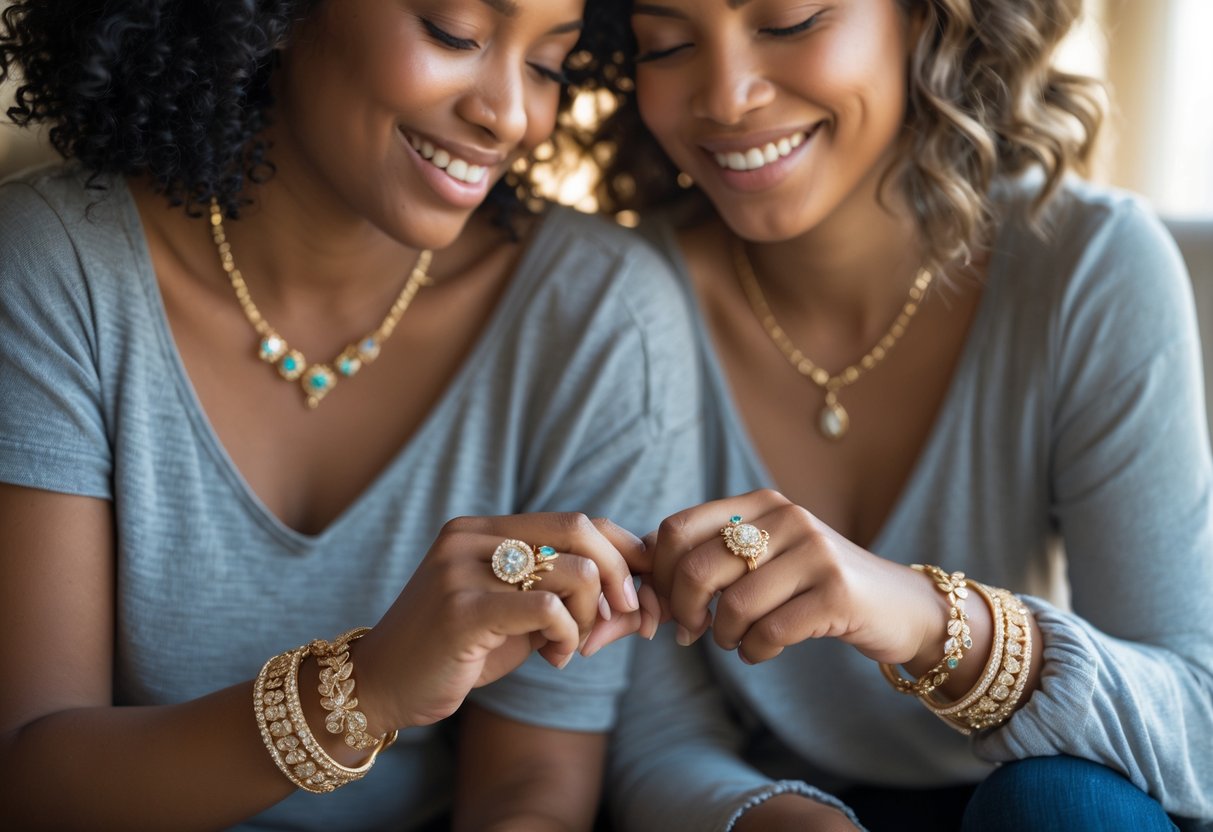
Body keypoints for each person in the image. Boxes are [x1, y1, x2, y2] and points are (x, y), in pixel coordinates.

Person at [0, 1, 698, 829]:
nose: (508, 114)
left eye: (548, 66)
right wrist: (363, 689)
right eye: (454, 33)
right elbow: (28, 778)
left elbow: (530, 789)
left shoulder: (599, 317)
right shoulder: (57, 268)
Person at [587, 0, 1213, 829]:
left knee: (1060, 801)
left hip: (1027, 792)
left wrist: (920, 618)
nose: (728, 96)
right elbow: (655, 732)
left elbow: (1197, 728)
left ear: (929, 21)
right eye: (667, 44)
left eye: (789, 21)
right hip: (767, 809)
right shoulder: (622, 300)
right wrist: (785, 821)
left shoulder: (1087, 267)